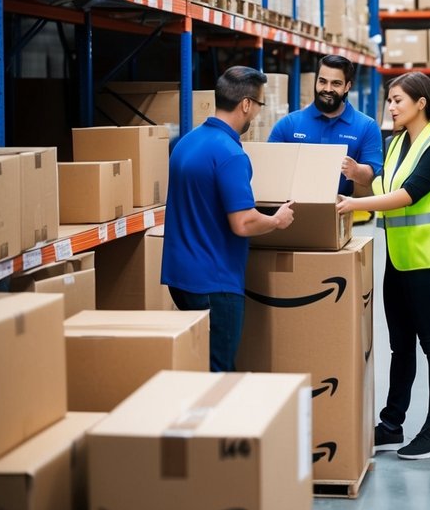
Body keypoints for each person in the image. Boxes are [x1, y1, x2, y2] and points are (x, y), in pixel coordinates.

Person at [336, 72, 430, 460]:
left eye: (398, 101)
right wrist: (358, 177)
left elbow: (407, 195)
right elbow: (382, 187)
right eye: (389, 101)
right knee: (400, 346)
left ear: (421, 103)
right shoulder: (394, 144)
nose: (391, 107)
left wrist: (354, 206)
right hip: (399, 258)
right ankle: (391, 424)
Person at [162, 66, 295, 372]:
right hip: (214, 283)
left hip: (180, 278)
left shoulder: (186, 143)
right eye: (259, 105)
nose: (258, 114)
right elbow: (243, 222)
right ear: (246, 104)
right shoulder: (230, 153)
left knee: (194, 366)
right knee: (219, 373)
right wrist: (277, 219)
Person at [269, 54, 384, 198]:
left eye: (336, 83)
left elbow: (371, 178)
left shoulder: (366, 126)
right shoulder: (288, 124)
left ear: (348, 86)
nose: (327, 89)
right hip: (293, 210)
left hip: (342, 210)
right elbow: (271, 170)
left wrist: (355, 170)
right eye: (322, 81)